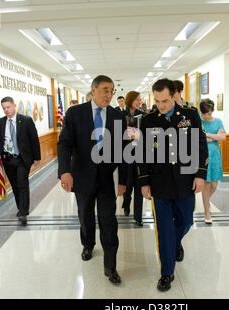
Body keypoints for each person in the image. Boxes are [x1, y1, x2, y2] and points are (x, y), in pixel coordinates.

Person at [138, 79, 208, 291]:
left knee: (186, 220)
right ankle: (166, 272)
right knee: (164, 230)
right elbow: (142, 152)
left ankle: (176, 244)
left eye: (166, 101)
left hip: (186, 180)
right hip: (159, 183)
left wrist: (200, 175)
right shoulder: (148, 120)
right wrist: (144, 181)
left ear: (175, 96)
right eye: (158, 101)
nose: (161, 105)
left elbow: (200, 145)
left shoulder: (190, 115)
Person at [57, 75, 127, 285]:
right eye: (105, 90)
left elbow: (123, 150)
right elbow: (64, 144)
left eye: (111, 91)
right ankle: (88, 244)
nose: (109, 95)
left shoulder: (116, 116)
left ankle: (110, 265)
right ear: (93, 90)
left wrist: (123, 180)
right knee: (85, 215)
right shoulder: (75, 113)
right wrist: (64, 171)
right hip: (81, 176)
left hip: (106, 179)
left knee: (108, 221)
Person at [0, 96, 41, 226]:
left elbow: (34, 139)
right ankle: (20, 207)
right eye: (4, 108)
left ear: (14, 106)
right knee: (14, 185)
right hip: (8, 160)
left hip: (22, 159)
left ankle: (24, 212)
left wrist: (37, 157)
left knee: (22, 183)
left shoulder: (26, 120)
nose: (6, 110)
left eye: (8, 107)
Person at [199, 99, 226, 224]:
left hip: (215, 155)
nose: (206, 116)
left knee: (214, 185)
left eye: (209, 113)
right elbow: (196, 137)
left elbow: (222, 137)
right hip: (203, 155)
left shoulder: (218, 122)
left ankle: (206, 201)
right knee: (206, 184)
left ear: (212, 111)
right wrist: (212, 137)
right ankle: (206, 212)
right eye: (204, 114)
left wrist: (208, 135)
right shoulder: (199, 121)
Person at [122, 91, 145, 226]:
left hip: (139, 153)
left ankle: (138, 216)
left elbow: (145, 133)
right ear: (130, 100)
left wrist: (135, 133)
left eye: (140, 99)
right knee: (127, 183)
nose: (139, 102)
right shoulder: (120, 115)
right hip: (124, 154)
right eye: (137, 99)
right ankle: (126, 203)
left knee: (138, 184)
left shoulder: (143, 115)